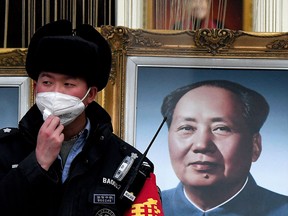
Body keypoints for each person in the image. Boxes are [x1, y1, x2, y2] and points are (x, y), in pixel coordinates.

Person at [0, 20, 163, 216]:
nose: (56, 92)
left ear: (91, 94)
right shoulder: (5, 150)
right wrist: (37, 163)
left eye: (68, 84)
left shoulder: (127, 164)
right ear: (35, 87)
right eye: (47, 82)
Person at [160, 80, 288, 215]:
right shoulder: (142, 209)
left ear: (255, 145)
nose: (201, 145)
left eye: (221, 128)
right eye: (187, 128)